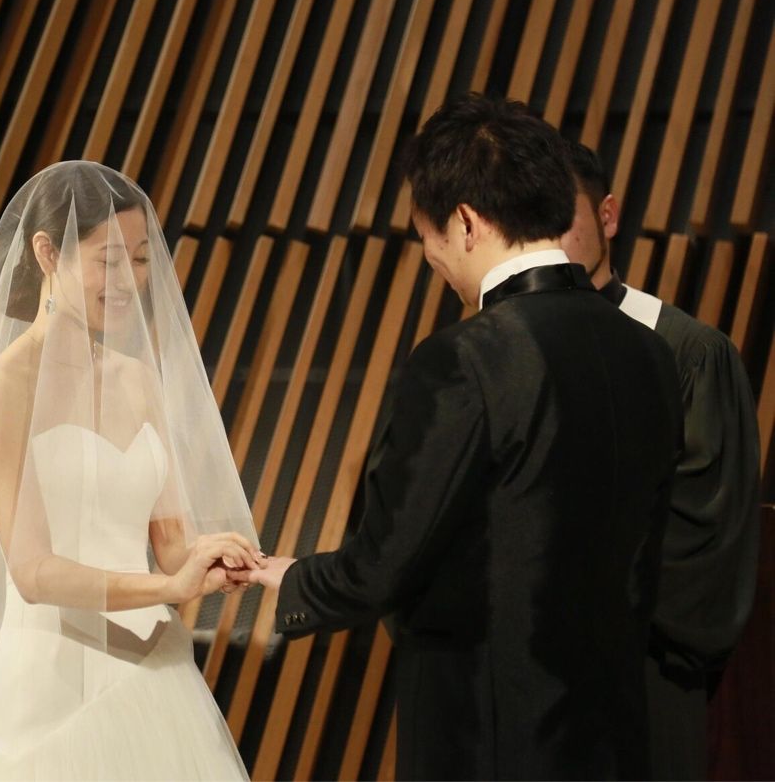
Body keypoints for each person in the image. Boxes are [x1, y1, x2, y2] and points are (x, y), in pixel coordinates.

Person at [232, 94, 683, 779]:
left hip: (489, 738)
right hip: (613, 735)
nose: (430, 257)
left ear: (466, 223)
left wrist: (288, 574)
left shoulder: (466, 357)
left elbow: (387, 560)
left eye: (427, 235)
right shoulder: (648, 351)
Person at [0, 161, 261, 780]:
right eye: (108, 260)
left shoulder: (138, 379)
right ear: (47, 253)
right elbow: (33, 571)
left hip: (154, 669)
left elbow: (171, 544)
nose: (128, 280)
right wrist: (169, 589)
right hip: (50, 682)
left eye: (140, 260)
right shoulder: (3, 390)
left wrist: (208, 559)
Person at [560, 141, 761, 780]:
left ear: (608, 215)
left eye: (559, 217)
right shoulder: (488, 358)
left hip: (642, 678)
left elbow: (704, 542)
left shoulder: (689, 354)